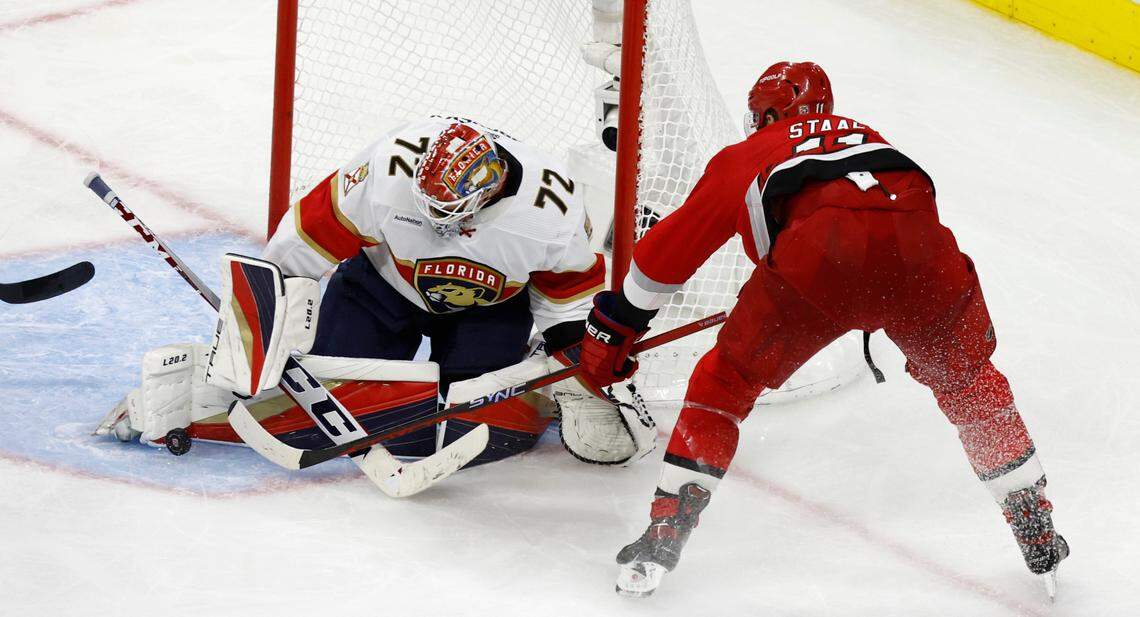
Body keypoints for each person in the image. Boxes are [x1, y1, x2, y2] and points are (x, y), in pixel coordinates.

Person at [578, 62, 1068, 596]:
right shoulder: (869, 135)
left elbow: (665, 256)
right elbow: (895, 219)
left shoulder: (747, 155)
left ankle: (664, 533)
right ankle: (1032, 517)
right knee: (967, 379)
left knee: (725, 383)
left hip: (817, 266)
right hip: (926, 257)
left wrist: (615, 326)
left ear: (767, 113)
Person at [102, 118, 655, 471]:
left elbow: (568, 299)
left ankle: (539, 387)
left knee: (485, 434)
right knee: (327, 391)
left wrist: (570, 359)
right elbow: (296, 250)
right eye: (428, 209)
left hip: (489, 311)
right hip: (380, 288)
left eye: (451, 215)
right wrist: (252, 336)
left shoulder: (551, 213)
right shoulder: (385, 169)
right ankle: (198, 389)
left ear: (487, 191)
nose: (438, 225)